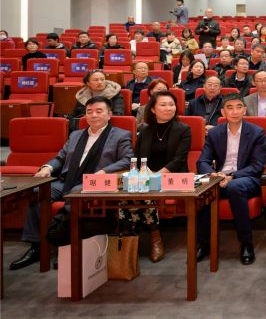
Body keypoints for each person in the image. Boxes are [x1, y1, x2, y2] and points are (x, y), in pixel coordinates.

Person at [9, 97, 133, 270]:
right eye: (89, 112)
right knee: (37, 192)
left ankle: (64, 243)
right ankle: (37, 246)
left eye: (99, 111)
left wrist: (104, 171)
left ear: (109, 114)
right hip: (66, 181)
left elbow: (127, 160)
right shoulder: (76, 135)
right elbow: (60, 158)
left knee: (74, 194)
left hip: (93, 183)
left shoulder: (120, 135)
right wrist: (47, 168)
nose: (94, 115)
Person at [196, 93, 266, 264]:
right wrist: (213, 174)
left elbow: (257, 166)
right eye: (230, 108)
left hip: (246, 178)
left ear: (244, 110)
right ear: (223, 112)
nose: (234, 111)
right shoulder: (215, 133)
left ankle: (246, 242)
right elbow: (202, 161)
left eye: (238, 107)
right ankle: (203, 242)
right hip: (219, 178)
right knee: (204, 188)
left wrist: (231, 176)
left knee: (234, 187)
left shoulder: (256, 132)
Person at [120, 91, 190, 262]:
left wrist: (155, 177)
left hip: (172, 178)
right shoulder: (145, 130)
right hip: (146, 177)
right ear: (152, 109)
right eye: (163, 105)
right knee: (126, 193)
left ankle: (154, 236)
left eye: (171, 104)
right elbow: (137, 159)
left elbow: (179, 160)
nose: (168, 108)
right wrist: (141, 176)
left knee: (146, 192)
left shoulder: (183, 129)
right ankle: (127, 237)